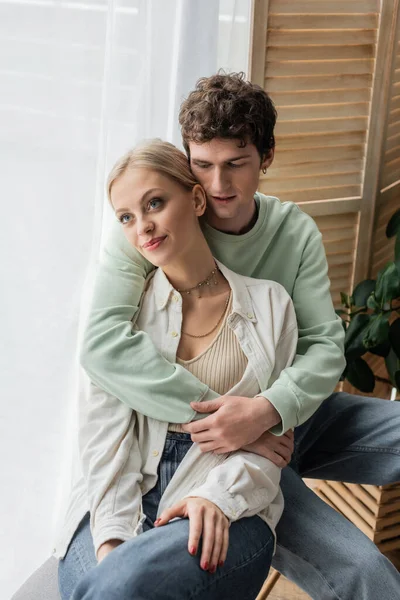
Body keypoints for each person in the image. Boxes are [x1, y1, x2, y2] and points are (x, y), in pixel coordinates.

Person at [78, 72, 400, 599]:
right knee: (365, 574)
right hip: (223, 440)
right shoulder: (155, 226)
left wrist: (264, 412)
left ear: (266, 156)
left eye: (236, 164)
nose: (219, 184)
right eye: (202, 165)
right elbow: (101, 346)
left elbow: (323, 346)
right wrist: (227, 417)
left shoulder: (293, 232)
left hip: (289, 410)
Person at [55, 139, 299, 600]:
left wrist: (218, 498)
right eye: (126, 217)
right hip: (114, 498)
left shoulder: (271, 306)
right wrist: (112, 544)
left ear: (197, 198)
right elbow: (102, 437)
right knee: (114, 587)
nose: (142, 226)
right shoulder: (118, 318)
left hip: (221, 500)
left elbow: (269, 452)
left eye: (155, 203)